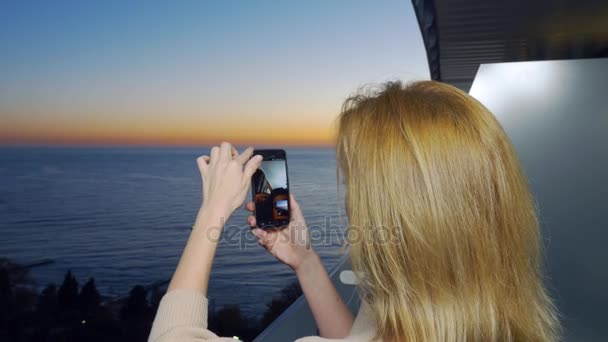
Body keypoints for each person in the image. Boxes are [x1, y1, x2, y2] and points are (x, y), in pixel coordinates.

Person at [148, 81, 560, 341]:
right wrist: (305, 261)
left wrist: (212, 212)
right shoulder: (485, 318)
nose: (350, 201)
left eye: (357, 183)